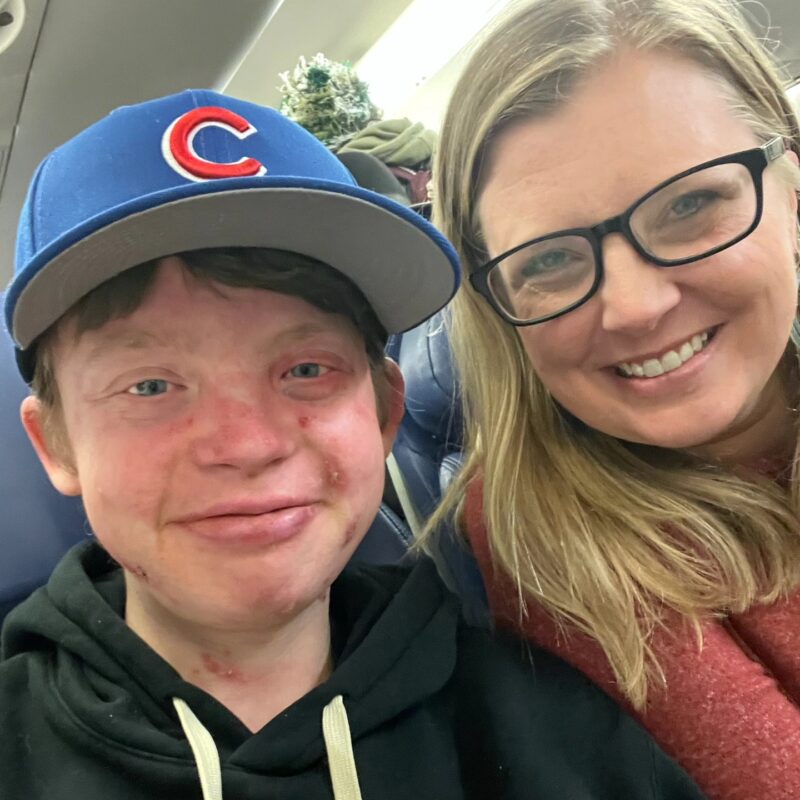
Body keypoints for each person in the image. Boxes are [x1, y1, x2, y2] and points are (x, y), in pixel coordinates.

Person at [0, 90, 706, 799]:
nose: (247, 445)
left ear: (385, 410)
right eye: (149, 386)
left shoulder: (558, 731)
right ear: (54, 443)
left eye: (307, 370)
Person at [427, 0, 800, 797]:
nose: (634, 306)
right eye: (550, 260)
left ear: (790, 186)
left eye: (692, 204)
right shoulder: (545, 535)